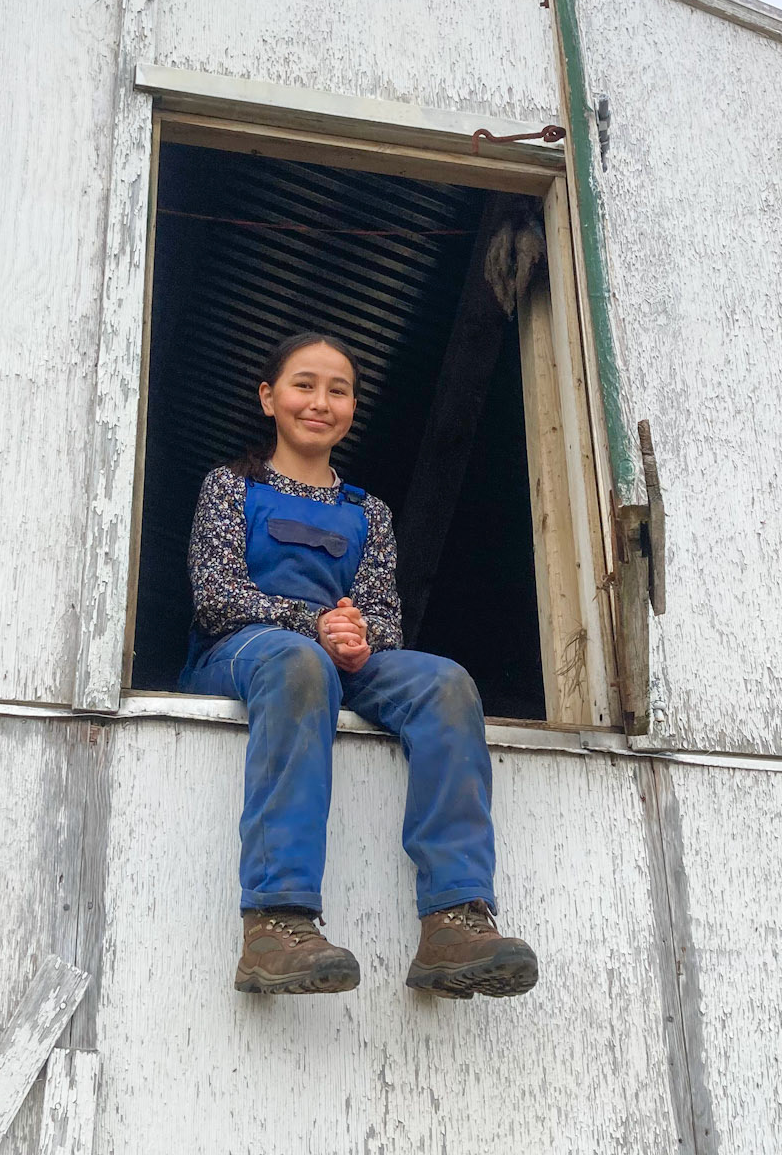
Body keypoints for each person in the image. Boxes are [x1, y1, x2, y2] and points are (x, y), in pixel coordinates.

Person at [179, 330, 539, 1000]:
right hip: (244, 653)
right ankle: (276, 924)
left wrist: (355, 638)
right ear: (268, 397)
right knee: (298, 664)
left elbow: (384, 619)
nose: (320, 402)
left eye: (337, 391)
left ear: (351, 407)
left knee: (443, 682)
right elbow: (216, 597)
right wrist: (310, 625)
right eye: (303, 385)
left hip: (330, 656)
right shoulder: (229, 487)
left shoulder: (367, 512)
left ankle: (454, 918)